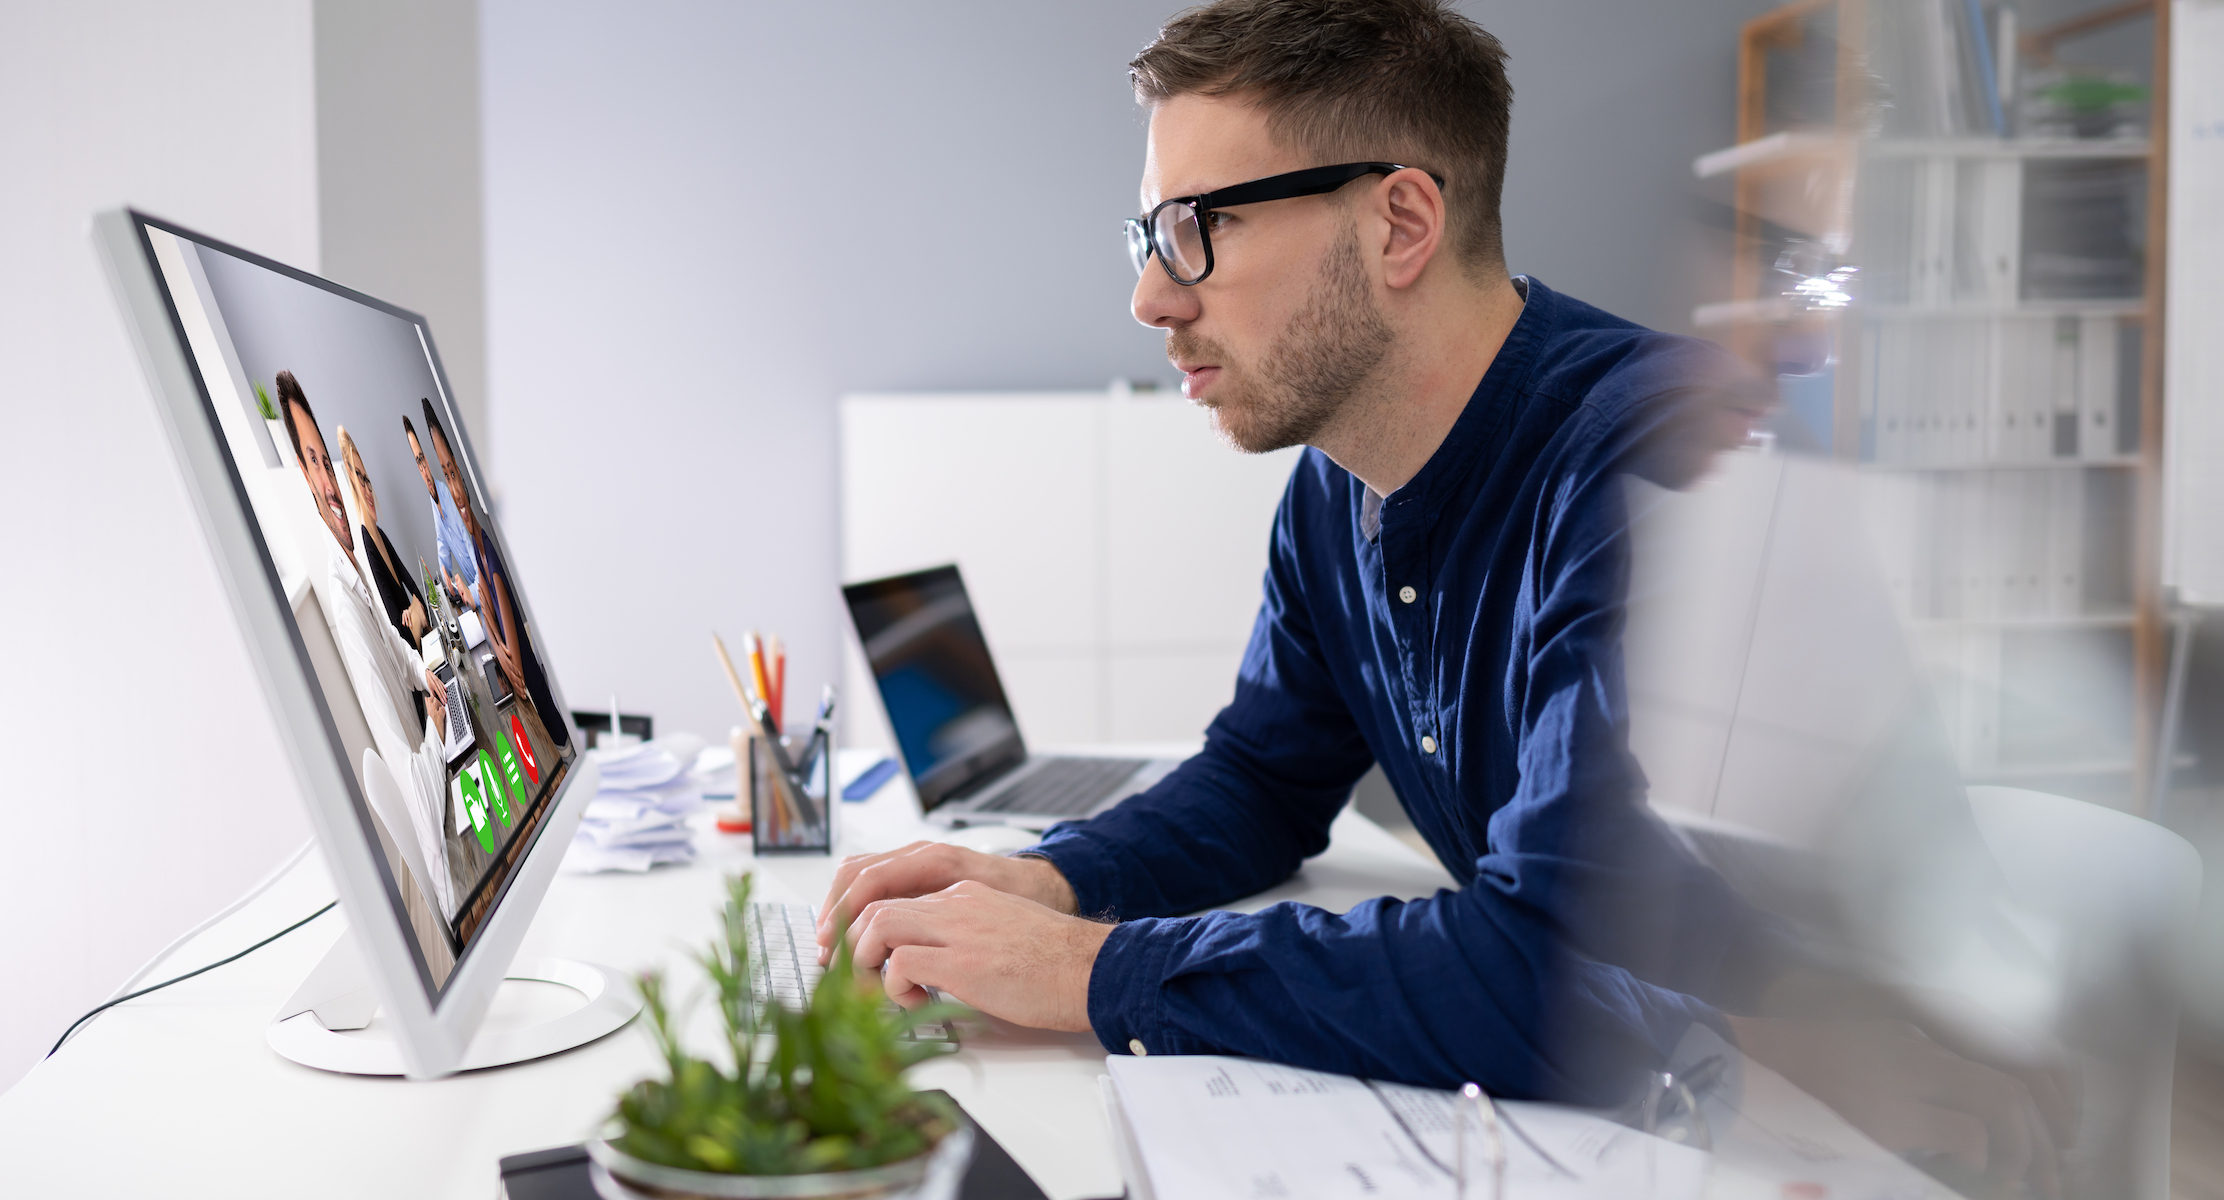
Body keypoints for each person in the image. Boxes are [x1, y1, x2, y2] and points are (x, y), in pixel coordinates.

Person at [814, 3, 2064, 1191]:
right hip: (1659, 1092)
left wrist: (1096, 969)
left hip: (1853, 1125)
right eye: (1148, 236)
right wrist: (1053, 880)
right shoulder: (1333, 486)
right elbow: (1262, 779)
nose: (1152, 295)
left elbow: (1546, 974)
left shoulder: (1660, 465)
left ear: (1401, 224)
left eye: (1196, 226)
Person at [278, 371, 458, 921]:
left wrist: (419, 673)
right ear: (304, 478)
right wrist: (436, 724)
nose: (332, 482)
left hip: (451, 806)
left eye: (325, 460)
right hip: (453, 876)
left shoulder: (357, 551)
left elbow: (397, 644)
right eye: (313, 462)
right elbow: (420, 806)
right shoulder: (343, 603)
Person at [420, 399, 562, 747]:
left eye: (452, 472)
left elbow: (515, 671)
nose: (451, 489)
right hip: (534, 703)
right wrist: (496, 642)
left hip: (553, 731)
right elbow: (488, 619)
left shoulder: (488, 558)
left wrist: (498, 645)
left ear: (464, 478)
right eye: (444, 474)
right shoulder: (477, 548)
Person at [338, 425, 431, 651]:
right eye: (360, 480)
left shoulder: (379, 535)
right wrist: (414, 612)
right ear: (352, 484)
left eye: (368, 479)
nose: (368, 490)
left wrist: (416, 612)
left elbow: (418, 592)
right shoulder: (368, 545)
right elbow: (404, 637)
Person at [405, 414, 480, 612]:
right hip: (474, 589)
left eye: (422, 459)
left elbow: (470, 544)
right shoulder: (434, 500)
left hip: (484, 583)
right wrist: (445, 576)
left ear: (427, 460)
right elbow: (442, 542)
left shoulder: (446, 493)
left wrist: (472, 593)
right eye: (417, 463)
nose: (422, 468)